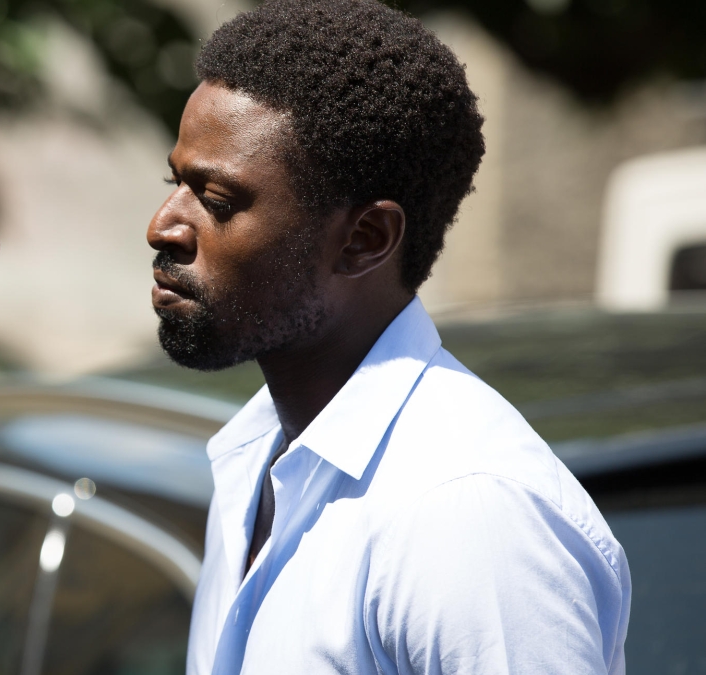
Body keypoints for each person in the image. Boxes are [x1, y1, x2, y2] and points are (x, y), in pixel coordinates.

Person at [146, 0, 630, 673]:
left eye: (217, 200)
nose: (163, 226)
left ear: (365, 239)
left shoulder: (468, 515)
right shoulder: (256, 453)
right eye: (175, 182)